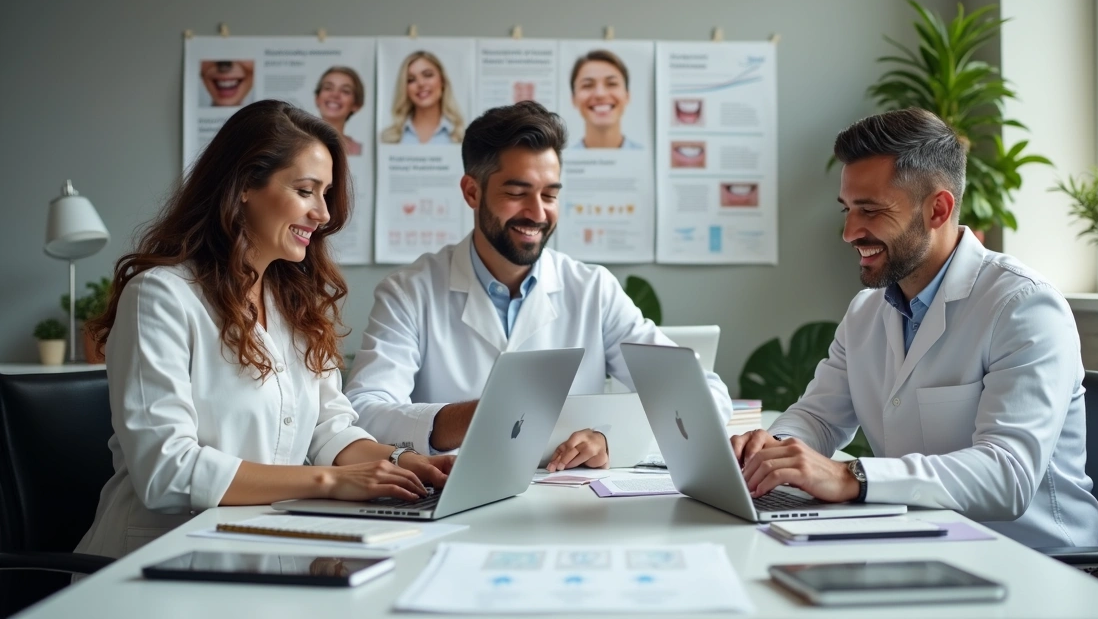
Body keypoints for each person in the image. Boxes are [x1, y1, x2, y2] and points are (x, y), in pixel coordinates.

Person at [75, 100, 453, 561]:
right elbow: (166, 471)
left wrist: (401, 463)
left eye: (326, 194)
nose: (323, 214)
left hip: (266, 543)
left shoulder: (295, 305)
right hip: (161, 561)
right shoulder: (160, 298)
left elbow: (328, 431)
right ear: (243, 188)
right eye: (306, 190)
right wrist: (331, 482)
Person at [730, 108, 1098, 549]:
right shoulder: (867, 310)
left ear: (938, 209)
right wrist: (772, 452)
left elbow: (1008, 476)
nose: (850, 232)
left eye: (869, 210)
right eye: (848, 209)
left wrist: (851, 476)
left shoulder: (1025, 307)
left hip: (1042, 565)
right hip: (926, 545)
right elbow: (819, 417)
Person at [346, 101, 730, 470]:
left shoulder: (592, 290)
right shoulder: (409, 292)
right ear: (472, 192)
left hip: (569, 501)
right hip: (454, 497)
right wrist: (476, 416)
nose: (538, 212)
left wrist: (610, 439)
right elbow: (364, 409)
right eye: (517, 193)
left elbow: (703, 395)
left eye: (550, 195)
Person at [380, 51, 465, 145]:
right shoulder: (389, 138)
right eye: (411, 80)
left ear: (443, 80)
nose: (421, 83)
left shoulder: (461, 136)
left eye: (428, 75)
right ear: (405, 88)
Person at [568, 49, 642, 150]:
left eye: (612, 84)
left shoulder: (645, 156)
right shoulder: (560, 161)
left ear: (627, 95)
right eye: (588, 85)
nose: (600, 94)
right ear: (573, 98)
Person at [314, 66, 365, 156]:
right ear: (317, 98)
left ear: (356, 104)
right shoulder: (297, 146)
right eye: (328, 88)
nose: (335, 94)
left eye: (345, 91)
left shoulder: (359, 150)